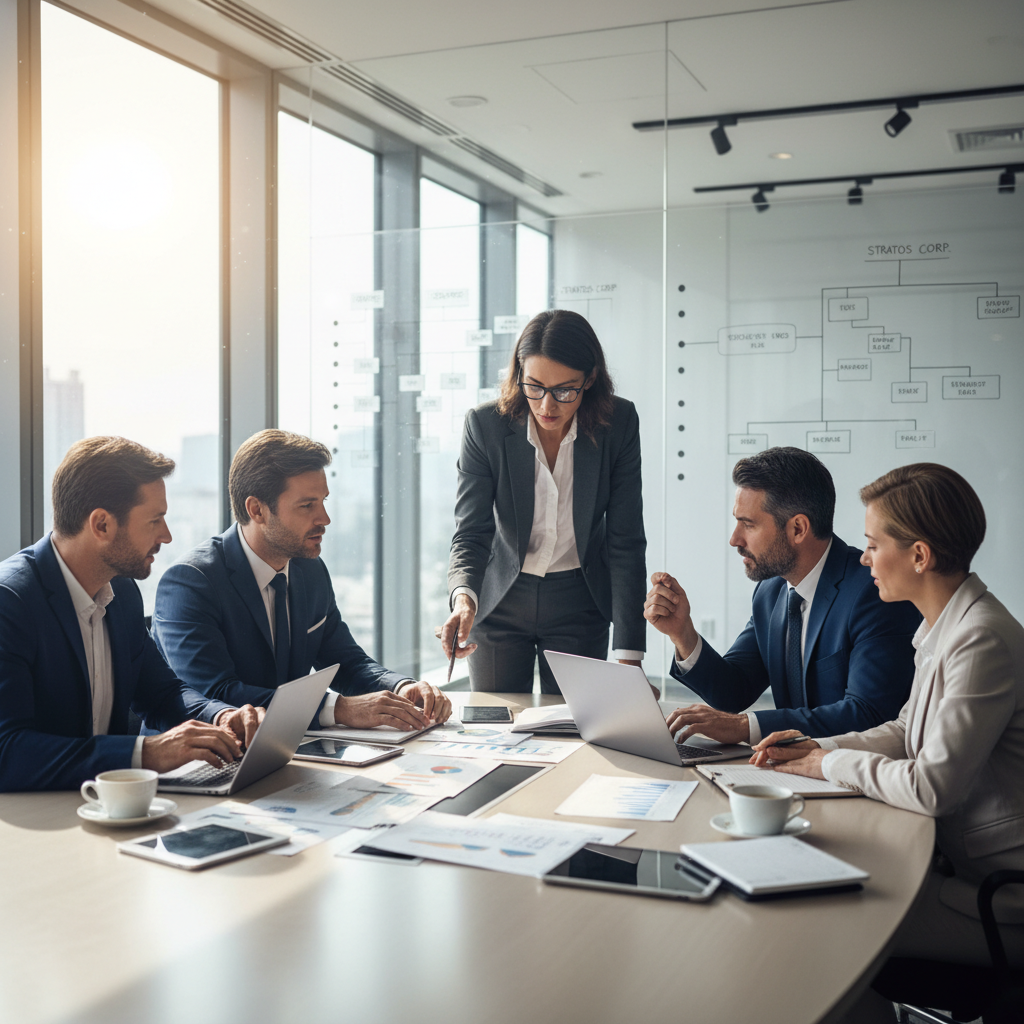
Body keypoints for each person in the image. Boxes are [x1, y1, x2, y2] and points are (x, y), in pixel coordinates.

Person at [752, 463, 1024, 1010]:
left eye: (875, 544)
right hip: (959, 872)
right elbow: (906, 730)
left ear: (919, 556)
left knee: (824, 920)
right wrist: (818, 749)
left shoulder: (981, 640)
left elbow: (932, 788)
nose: (863, 557)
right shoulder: (944, 625)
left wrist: (825, 768)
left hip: (1001, 901)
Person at [0, 437, 264, 792]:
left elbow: (161, 693)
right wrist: (146, 752)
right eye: (155, 521)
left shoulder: (121, 592)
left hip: (106, 808)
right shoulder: (10, 602)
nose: (167, 536)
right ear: (102, 525)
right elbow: (7, 752)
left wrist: (219, 716)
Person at [154, 430, 451, 729]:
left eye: (323, 501)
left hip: (286, 750)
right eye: (307, 505)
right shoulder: (191, 582)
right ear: (257, 510)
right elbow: (217, 693)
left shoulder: (310, 570)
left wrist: (401, 688)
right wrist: (338, 709)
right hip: (198, 761)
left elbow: (346, 663)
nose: (324, 518)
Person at [644, 447, 920, 745]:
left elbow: (868, 714)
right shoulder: (771, 590)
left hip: (855, 776)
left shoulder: (874, 592)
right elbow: (734, 691)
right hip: (794, 772)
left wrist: (745, 727)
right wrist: (683, 634)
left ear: (798, 528)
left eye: (748, 524)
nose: (735, 539)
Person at [442, 309, 647, 693]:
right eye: (533, 387)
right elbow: (471, 533)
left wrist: (629, 656)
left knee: (575, 728)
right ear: (518, 375)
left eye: (564, 391)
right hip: (500, 600)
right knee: (496, 728)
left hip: (580, 602)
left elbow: (626, 540)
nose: (546, 406)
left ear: (591, 379)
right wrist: (463, 599)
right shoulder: (485, 426)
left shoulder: (618, 423)